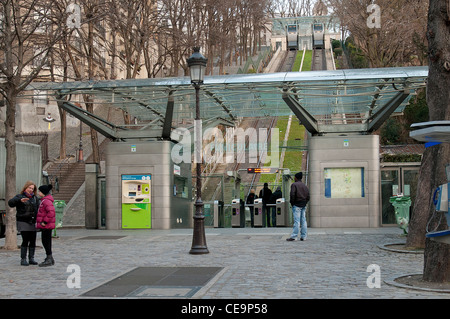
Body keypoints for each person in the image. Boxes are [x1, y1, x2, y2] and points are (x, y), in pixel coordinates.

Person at [8, 181, 40, 266]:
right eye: (29, 188)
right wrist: (19, 200)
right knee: (25, 240)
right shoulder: (20, 196)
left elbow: (38, 209)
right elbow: (10, 203)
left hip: (33, 222)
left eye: (32, 189)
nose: (31, 190)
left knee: (33, 240)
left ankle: (31, 258)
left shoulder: (35, 198)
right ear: (25, 188)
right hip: (23, 221)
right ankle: (23, 259)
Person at [36, 184, 56, 267]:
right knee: (46, 241)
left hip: (46, 225)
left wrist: (45, 222)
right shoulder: (45, 200)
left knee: (46, 241)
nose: (38, 192)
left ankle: (49, 257)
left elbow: (51, 212)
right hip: (46, 225)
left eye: (39, 191)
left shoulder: (46, 201)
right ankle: (49, 258)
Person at [287, 172, 309, 241]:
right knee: (303, 220)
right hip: (303, 204)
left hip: (296, 205)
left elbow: (292, 195)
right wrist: (305, 202)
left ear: (296, 178)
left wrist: (292, 203)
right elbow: (308, 196)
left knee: (297, 221)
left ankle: (294, 236)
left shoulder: (294, 185)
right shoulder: (304, 186)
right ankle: (304, 236)